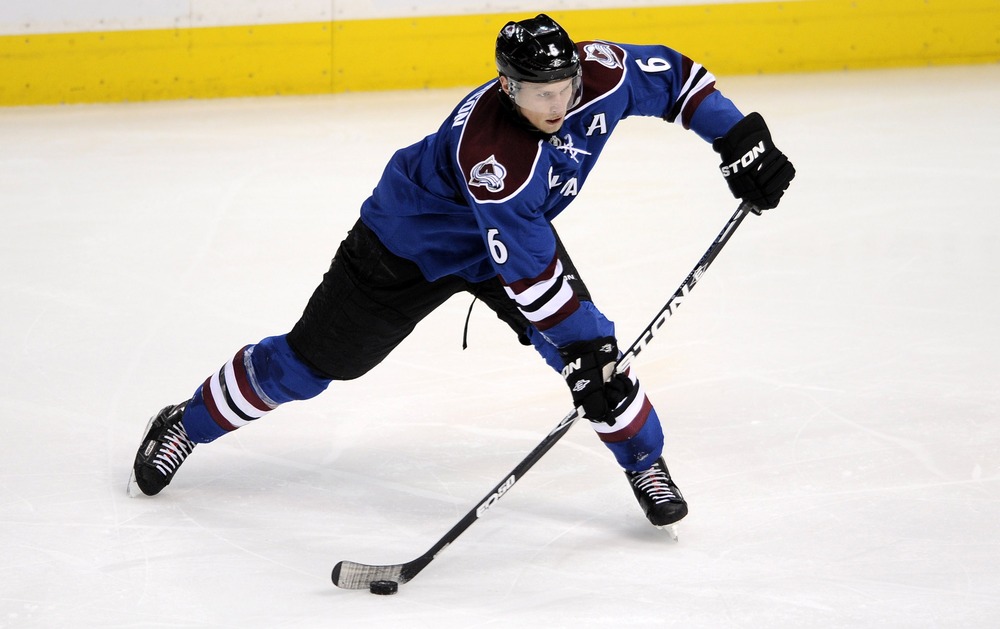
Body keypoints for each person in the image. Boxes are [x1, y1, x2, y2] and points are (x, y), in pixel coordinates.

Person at [128, 14, 794, 530]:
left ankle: (645, 461)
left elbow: (679, 79)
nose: (557, 104)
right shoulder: (494, 156)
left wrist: (738, 140)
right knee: (309, 364)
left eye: (563, 88)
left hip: (504, 241)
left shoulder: (601, 73)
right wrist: (584, 342)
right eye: (539, 94)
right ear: (509, 87)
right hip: (406, 244)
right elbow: (534, 281)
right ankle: (187, 421)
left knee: (597, 366)